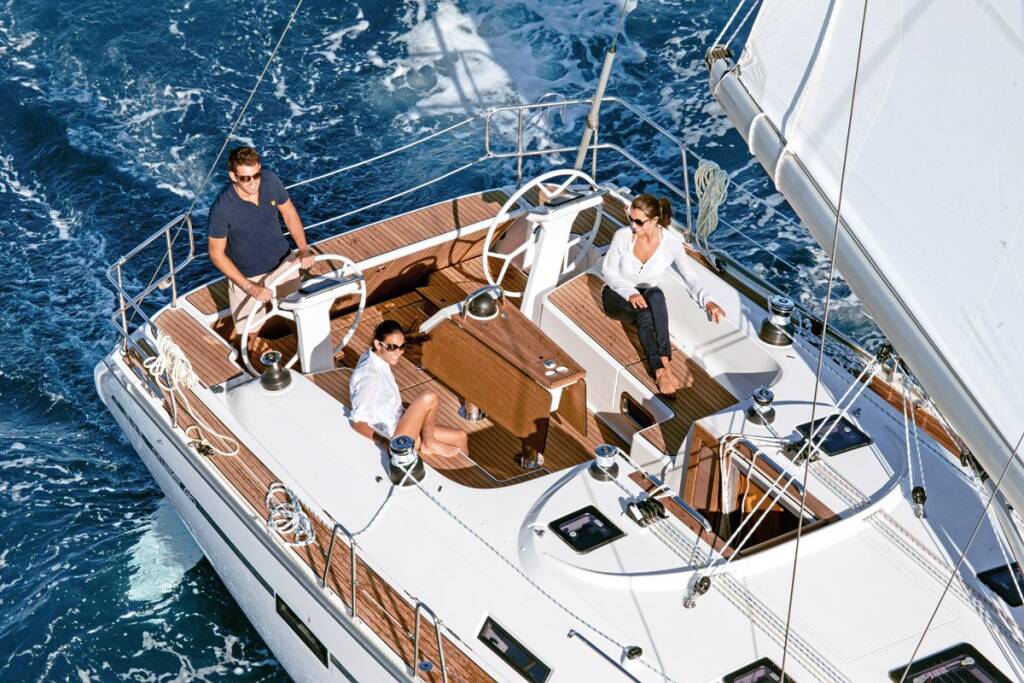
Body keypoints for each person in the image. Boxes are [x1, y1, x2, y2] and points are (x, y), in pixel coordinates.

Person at [601, 194, 726, 395]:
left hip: (646, 292)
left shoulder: (672, 242)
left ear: (654, 220)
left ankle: (666, 363)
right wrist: (630, 293)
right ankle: (659, 370)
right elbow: (609, 273)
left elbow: (689, 275)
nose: (633, 225)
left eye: (639, 222)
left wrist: (708, 301)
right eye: (631, 219)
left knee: (657, 295)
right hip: (616, 293)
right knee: (644, 314)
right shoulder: (622, 236)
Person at [207, 146, 315, 337]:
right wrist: (248, 286)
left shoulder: (270, 180)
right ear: (233, 176)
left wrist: (303, 249)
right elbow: (216, 254)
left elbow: (289, 212)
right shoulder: (222, 208)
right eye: (245, 178)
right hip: (248, 277)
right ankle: (249, 356)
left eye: (256, 175)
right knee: (249, 333)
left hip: (284, 263)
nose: (253, 183)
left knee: (298, 316)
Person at [349, 320, 468, 458]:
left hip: (400, 421)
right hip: (395, 437)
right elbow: (357, 422)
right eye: (392, 347)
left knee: (460, 436)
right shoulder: (369, 377)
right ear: (377, 344)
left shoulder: (375, 358)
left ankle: (466, 469)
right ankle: (428, 443)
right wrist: (385, 442)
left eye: (402, 347)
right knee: (429, 398)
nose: (398, 352)